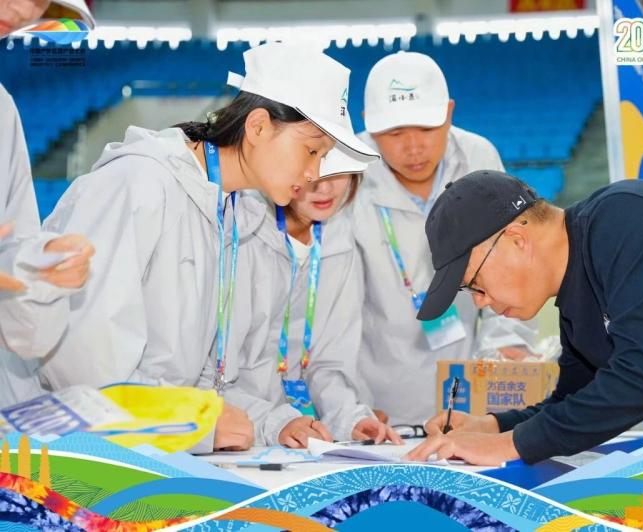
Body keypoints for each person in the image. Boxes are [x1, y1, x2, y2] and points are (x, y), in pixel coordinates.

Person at [37, 43, 379, 451]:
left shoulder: (232, 215)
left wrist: (273, 421)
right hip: (74, 458)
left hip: (149, 451)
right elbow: (82, 365)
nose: (313, 173)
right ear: (258, 127)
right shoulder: (138, 184)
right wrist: (192, 427)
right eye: (311, 151)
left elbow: (200, 378)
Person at [406, 171, 643, 466]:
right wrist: (495, 426)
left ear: (516, 240)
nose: (480, 302)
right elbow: (573, 402)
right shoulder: (577, 300)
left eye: (475, 284)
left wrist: (507, 446)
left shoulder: (627, 217)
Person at [352, 51, 539, 428]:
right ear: (369, 125)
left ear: (449, 112)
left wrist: (507, 345)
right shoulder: (348, 172)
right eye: (394, 133)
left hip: (468, 392)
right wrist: (349, 404)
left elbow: (511, 266)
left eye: (426, 128)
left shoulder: (478, 158)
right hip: (377, 401)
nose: (413, 147)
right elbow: (333, 305)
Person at [221, 173, 401, 445]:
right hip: (235, 432)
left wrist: (348, 419)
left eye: (338, 173)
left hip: (298, 437)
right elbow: (215, 375)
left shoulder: (338, 237)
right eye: (314, 171)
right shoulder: (241, 230)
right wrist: (273, 423)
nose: (324, 188)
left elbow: (329, 362)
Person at [0, 0, 95, 406]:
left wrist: (39, 267)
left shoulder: (2, 110)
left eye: (41, 0)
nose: (24, 10)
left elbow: (9, 264)